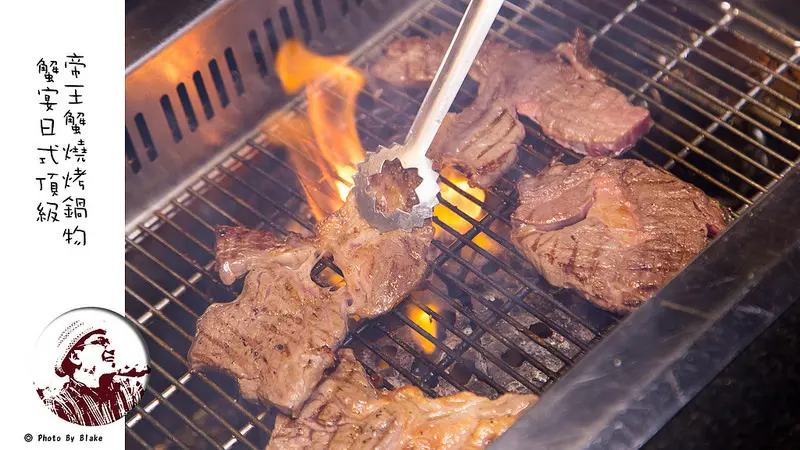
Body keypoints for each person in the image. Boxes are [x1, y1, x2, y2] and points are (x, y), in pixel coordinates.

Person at [41, 320, 144, 426]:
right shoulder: (59, 406)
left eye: (108, 342)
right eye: (100, 342)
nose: (112, 349)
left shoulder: (129, 387)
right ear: (75, 357)